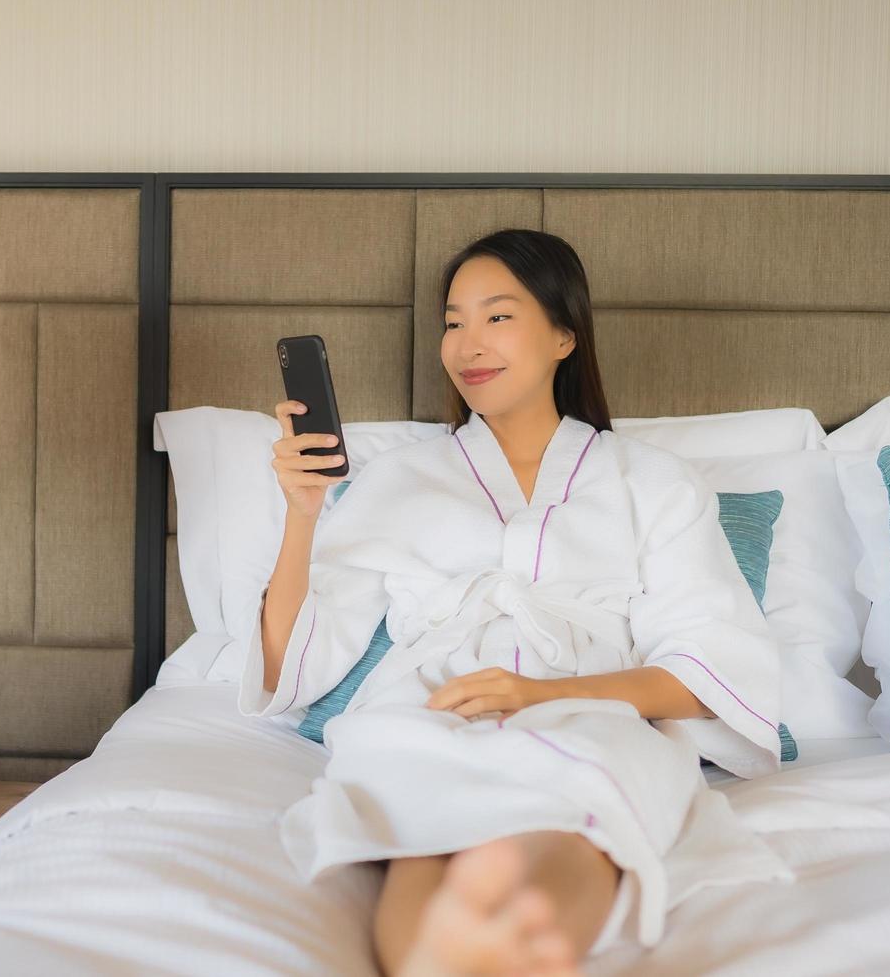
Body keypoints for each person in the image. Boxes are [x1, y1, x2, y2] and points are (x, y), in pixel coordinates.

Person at [241, 229, 795, 975]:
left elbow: (707, 664)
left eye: (497, 316)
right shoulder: (396, 480)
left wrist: (544, 693)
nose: (469, 343)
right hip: (433, 705)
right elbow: (290, 664)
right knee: (419, 827)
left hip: (592, 711)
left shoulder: (653, 482)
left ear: (565, 334)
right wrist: (303, 514)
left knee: (581, 818)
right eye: (453, 321)